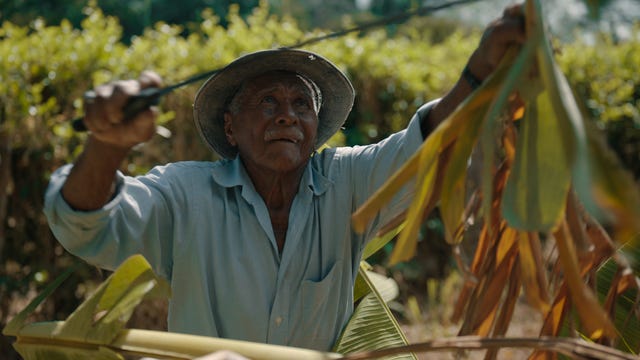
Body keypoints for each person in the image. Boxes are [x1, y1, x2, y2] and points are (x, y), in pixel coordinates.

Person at [44, 4, 526, 354]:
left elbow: (425, 147)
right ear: (230, 127)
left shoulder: (348, 182)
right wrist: (107, 146)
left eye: (301, 105)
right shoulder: (184, 193)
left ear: (317, 129)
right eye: (268, 103)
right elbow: (87, 226)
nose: (287, 117)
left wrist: (478, 72)